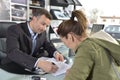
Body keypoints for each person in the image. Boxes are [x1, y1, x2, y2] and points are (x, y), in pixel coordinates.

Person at [57, 10, 120, 80]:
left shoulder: (86, 47)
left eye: (64, 42)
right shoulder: (97, 41)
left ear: (70, 37)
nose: (66, 46)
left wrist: (69, 75)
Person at [1, 8, 64, 74]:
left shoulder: (42, 32)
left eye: (47, 26)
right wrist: (38, 63)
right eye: (43, 24)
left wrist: (56, 53)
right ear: (34, 18)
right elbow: (13, 52)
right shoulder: (14, 29)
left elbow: (47, 44)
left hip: (30, 66)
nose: (44, 28)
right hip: (12, 66)